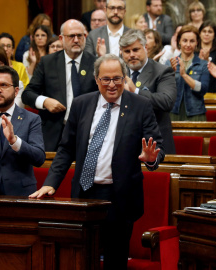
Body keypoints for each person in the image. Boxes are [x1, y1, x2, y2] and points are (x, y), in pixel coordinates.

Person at [29, 54, 165, 270]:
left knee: (114, 259)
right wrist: (51, 182)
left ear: (124, 78)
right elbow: (66, 149)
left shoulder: (140, 105)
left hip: (119, 197)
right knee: (81, 257)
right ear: (96, 79)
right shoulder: (82, 103)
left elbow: (156, 146)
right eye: (106, 79)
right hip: (85, 194)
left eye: (117, 79)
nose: (112, 85)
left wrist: (151, 158)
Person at [22, 19, 98, 151]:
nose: (76, 40)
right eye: (71, 36)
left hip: (88, 131)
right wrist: (45, 101)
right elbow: (27, 94)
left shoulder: (95, 63)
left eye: (79, 36)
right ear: (61, 38)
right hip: (54, 131)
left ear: (85, 37)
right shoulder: (48, 62)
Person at [0, 66, 45, 195]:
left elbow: (39, 158)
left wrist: (15, 141)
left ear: (16, 91)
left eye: (4, 85)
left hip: (20, 194)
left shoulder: (32, 119)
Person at [120, 29, 176, 154]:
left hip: (155, 144)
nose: (131, 55)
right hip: (125, 144)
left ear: (145, 47)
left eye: (135, 50)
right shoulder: (118, 72)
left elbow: (166, 102)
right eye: (127, 51)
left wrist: (136, 91)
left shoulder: (162, 71)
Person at [168, 25, 209, 121]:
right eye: (185, 40)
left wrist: (184, 75)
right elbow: (164, 90)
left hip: (196, 113)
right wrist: (170, 74)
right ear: (179, 42)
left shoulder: (203, 64)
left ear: (197, 43)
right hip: (174, 111)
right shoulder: (169, 63)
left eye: (192, 41)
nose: (188, 44)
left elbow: (202, 89)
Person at [198, 21, 216, 93]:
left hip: (214, 92)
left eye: (210, 32)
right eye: (204, 31)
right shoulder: (194, 51)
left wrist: (206, 61)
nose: (206, 34)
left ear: (214, 35)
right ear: (199, 34)